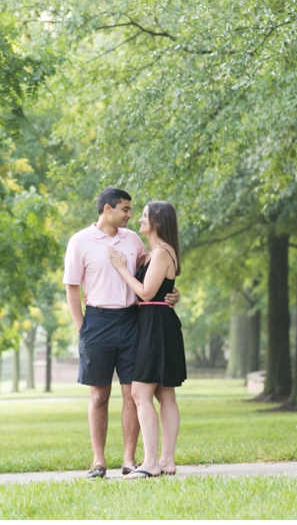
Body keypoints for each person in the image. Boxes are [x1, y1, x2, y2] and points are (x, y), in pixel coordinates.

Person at [63, 187, 178, 479]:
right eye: (125, 209)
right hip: (97, 322)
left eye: (133, 211)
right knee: (99, 394)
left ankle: (129, 460)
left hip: (132, 321)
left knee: (133, 393)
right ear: (107, 209)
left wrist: (170, 293)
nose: (130, 215)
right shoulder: (80, 241)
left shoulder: (133, 240)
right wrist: (82, 328)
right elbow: (72, 287)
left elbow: (152, 273)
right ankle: (98, 461)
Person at [107, 200, 186, 479]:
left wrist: (120, 267)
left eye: (144, 216)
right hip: (154, 323)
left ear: (158, 221)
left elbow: (147, 292)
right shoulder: (154, 253)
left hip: (156, 326)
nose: (139, 219)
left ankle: (152, 462)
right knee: (164, 394)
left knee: (141, 393)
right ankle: (166, 461)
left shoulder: (163, 252)